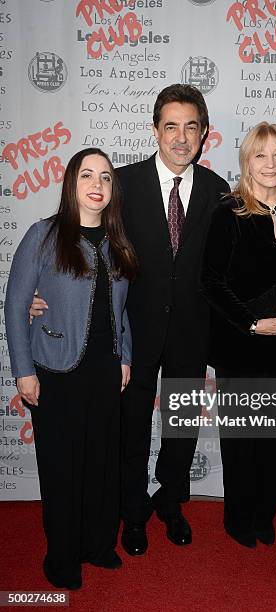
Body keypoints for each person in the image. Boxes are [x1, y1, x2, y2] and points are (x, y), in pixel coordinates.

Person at [31, 84, 230, 553]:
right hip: (131, 332)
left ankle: (171, 502)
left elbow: (231, 266)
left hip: (192, 333)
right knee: (132, 425)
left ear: (203, 134)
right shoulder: (122, 183)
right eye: (171, 126)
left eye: (191, 127)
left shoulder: (219, 191)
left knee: (181, 426)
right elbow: (73, 233)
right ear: (155, 130)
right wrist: (41, 290)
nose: (181, 137)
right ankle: (133, 509)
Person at [5, 148, 137, 589]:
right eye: (86, 175)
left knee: (102, 466)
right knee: (63, 470)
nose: (97, 184)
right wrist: (24, 371)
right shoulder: (43, 235)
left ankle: (98, 547)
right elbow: (16, 305)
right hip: (57, 371)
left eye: (105, 176)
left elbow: (121, 311)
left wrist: (125, 357)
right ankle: (61, 559)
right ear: (71, 184)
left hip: (104, 370)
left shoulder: (119, 242)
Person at [200, 122, 276, 548]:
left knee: (275, 441)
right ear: (246, 162)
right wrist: (252, 322)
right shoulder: (227, 212)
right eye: (259, 155)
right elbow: (210, 281)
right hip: (239, 346)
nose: (269, 164)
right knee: (242, 442)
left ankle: (264, 516)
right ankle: (238, 520)